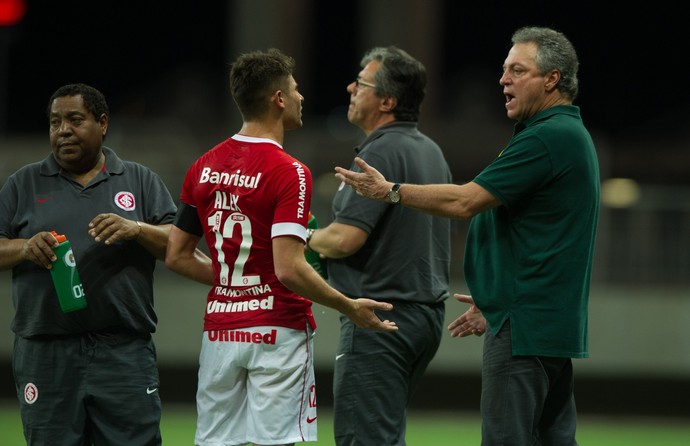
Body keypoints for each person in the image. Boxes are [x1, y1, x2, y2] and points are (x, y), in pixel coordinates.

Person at [335, 26, 600, 445]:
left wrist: (390, 191)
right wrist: (496, 298)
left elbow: (465, 201)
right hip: (539, 321)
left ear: (552, 79)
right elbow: (541, 236)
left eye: (517, 70)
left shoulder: (549, 136)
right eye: (503, 70)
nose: (503, 79)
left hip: (524, 328)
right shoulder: (565, 135)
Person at [163, 48, 398, 446]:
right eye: (295, 89)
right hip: (276, 332)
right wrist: (348, 305)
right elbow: (288, 269)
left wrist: (233, 285)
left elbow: (176, 255)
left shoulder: (201, 167)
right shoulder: (291, 172)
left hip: (220, 333)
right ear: (279, 99)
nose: (302, 97)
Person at [0, 83, 177, 445]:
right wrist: (24, 248)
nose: (63, 130)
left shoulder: (140, 180)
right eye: (54, 122)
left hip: (123, 351)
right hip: (46, 352)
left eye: (75, 120)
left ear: (103, 123)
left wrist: (137, 229)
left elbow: (178, 244)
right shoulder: (23, 184)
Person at [305, 46, 452, 446]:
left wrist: (299, 237)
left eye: (363, 83)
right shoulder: (429, 150)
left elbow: (345, 239)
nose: (351, 87)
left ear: (388, 101)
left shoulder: (380, 150)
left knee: (364, 438)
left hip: (380, 316)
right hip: (423, 317)